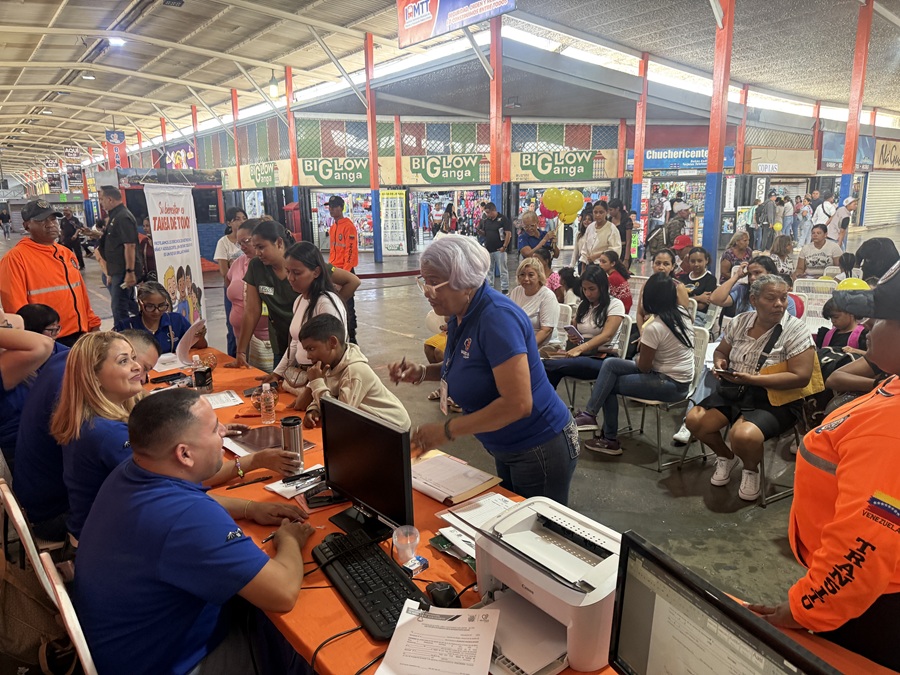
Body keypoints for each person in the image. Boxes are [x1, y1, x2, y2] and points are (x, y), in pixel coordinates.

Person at [72, 388, 314, 675]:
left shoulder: (132, 471)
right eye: (214, 429)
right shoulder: (186, 518)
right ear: (184, 454)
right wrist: (289, 540)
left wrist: (250, 508)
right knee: (304, 638)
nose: (223, 432)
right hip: (176, 663)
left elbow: (194, 501)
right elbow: (283, 593)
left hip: (131, 646)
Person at [748, 266, 900, 670]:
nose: (868, 327)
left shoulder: (891, 429)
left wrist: (805, 608)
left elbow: (864, 546)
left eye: (880, 318)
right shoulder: (891, 385)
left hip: (870, 609)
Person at [389, 236, 578, 505]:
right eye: (424, 282)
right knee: (512, 513)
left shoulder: (497, 318)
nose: (427, 292)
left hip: (538, 444)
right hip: (505, 443)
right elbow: (467, 364)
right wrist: (422, 372)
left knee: (538, 525)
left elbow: (518, 403)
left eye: (434, 283)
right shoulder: (460, 313)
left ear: (465, 282)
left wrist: (446, 430)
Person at [13, 329, 160, 542]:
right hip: (70, 520)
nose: (139, 370)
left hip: (70, 513)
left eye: (133, 358)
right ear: (94, 376)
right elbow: (162, 483)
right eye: (124, 360)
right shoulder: (108, 434)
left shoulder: (74, 377)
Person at [686, 274, 815, 501]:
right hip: (736, 389)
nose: (779, 304)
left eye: (783, 298)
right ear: (754, 300)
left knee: (743, 435)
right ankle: (726, 457)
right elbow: (721, 351)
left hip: (774, 398)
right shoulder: (740, 321)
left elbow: (801, 377)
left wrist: (754, 380)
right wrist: (720, 363)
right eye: (771, 298)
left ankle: (750, 469)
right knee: (695, 420)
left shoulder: (796, 330)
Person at [576, 273, 695, 455]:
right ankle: (590, 415)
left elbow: (644, 367)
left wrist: (641, 354)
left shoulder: (655, 327)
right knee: (610, 364)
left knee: (608, 386)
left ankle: (609, 440)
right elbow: (680, 289)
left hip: (670, 384)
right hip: (676, 378)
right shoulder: (682, 313)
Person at [230, 220, 358, 371]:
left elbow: (352, 281)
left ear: (279, 243)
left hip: (312, 349)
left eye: (261, 247)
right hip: (284, 342)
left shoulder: (305, 263)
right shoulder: (258, 268)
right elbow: (252, 310)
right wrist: (241, 352)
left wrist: (333, 303)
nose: (257, 253)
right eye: (288, 272)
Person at [0, 199, 101, 347]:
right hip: (49, 342)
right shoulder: (15, 259)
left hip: (80, 335)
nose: (50, 224)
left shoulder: (67, 254)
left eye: (53, 219)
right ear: (27, 225)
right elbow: (16, 311)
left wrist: (92, 323)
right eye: (42, 220)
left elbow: (81, 294)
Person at [263, 242, 348, 411]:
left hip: (323, 383)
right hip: (305, 378)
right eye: (288, 271)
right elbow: (295, 343)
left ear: (316, 272)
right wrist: (277, 373)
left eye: (297, 273)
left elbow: (331, 355)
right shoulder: (300, 300)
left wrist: (309, 392)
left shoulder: (325, 303)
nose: (290, 278)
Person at [299, 314, 411, 430]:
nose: (308, 356)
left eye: (311, 349)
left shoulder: (355, 371)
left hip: (394, 427)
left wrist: (317, 382)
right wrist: (314, 410)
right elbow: (328, 394)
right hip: (371, 424)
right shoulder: (328, 365)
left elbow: (340, 416)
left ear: (332, 342)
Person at [543, 265, 627, 389]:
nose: (588, 293)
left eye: (592, 289)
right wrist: (573, 338)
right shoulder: (584, 305)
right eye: (584, 289)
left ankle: (544, 396)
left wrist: (581, 348)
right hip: (582, 355)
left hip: (603, 358)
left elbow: (607, 335)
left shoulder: (615, 304)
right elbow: (577, 332)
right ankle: (545, 400)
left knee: (548, 365)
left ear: (602, 287)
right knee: (551, 369)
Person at [0, 308, 55, 472]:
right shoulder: (5, 368)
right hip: (21, 455)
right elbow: (44, 344)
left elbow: (18, 320)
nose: (11, 329)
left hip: (36, 444)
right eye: (5, 328)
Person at [226, 218, 273, 372]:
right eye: (239, 243)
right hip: (241, 337)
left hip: (267, 342)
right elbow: (229, 283)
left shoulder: (272, 264)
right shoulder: (238, 263)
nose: (242, 247)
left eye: (246, 241)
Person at [116, 282, 207, 354]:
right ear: (140, 303)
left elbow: (200, 347)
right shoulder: (126, 327)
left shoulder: (177, 321)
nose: (156, 311)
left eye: (161, 306)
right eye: (150, 306)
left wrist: (199, 336)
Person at [98, 185, 142, 327]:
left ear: (110, 199)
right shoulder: (114, 216)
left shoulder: (123, 217)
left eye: (102, 199)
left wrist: (130, 272)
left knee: (119, 308)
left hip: (124, 271)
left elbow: (130, 245)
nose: (101, 203)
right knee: (125, 304)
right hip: (117, 270)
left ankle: (123, 334)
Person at [712, 255, 797, 317]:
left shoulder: (785, 301)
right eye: (749, 274)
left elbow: (787, 329)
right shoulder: (742, 290)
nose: (752, 278)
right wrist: (736, 276)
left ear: (770, 273)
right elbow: (715, 299)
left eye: (757, 273)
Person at [325, 196, 359, 343]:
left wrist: (343, 277)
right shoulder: (333, 227)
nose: (331, 209)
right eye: (330, 207)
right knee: (334, 304)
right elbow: (333, 251)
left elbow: (350, 253)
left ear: (341, 207)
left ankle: (352, 337)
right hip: (334, 271)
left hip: (345, 272)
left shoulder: (348, 227)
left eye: (334, 206)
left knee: (348, 305)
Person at [216, 207, 248, 358]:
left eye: (244, 218)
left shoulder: (250, 240)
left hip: (250, 289)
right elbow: (224, 272)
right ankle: (233, 357)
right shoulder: (223, 243)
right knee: (233, 325)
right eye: (237, 219)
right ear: (229, 223)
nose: (242, 221)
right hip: (232, 290)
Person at [509, 257, 560, 349]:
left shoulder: (547, 296)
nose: (526, 279)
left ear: (539, 276)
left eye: (531, 275)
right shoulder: (516, 291)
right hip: (519, 341)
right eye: (522, 275)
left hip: (542, 346)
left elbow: (546, 330)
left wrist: (525, 348)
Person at [636, 249, 691, 331]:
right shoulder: (646, 285)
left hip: (669, 331)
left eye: (666, 264)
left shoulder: (678, 287)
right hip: (646, 329)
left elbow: (684, 317)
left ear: (672, 266)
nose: (661, 267)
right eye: (658, 263)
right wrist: (641, 331)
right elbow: (639, 313)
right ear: (652, 264)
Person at [477, 202, 512, 294]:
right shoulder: (486, 221)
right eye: (486, 212)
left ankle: (505, 289)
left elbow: (508, 234)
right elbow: (486, 233)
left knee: (502, 270)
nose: (487, 214)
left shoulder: (503, 219)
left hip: (500, 249)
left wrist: (504, 246)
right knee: (489, 271)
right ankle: (490, 288)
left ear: (493, 210)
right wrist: (480, 232)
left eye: (488, 212)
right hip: (489, 249)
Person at [676, 246, 717, 319]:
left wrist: (685, 300)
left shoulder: (710, 280)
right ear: (688, 261)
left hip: (699, 316)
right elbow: (677, 302)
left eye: (700, 261)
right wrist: (698, 298)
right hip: (681, 313)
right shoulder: (682, 278)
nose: (696, 264)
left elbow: (701, 306)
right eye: (692, 261)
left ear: (706, 260)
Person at [581, 200, 622, 266]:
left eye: (601, 212)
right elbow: (585, 249)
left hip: (604, 266)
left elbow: (614, 250)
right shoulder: (590, 227)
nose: (598, 215)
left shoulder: (611, 228)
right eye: (595, 212)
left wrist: (597, 255)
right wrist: (583, 266)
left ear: (607, 212)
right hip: (589, 265)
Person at [597, 249, 633, 314]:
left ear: (613, 263)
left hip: (619, 311)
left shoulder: (612, 278)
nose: (600, 264)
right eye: (600, 261)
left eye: (604, 262)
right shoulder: (617, 274)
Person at [606, 198, 633, 264]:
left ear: (617, 209)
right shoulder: (609, 220)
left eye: (611, 210)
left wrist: (626, 259)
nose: (609, 212)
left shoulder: (627, 220)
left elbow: (628, 240)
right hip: (612, 251)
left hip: (623, 250)